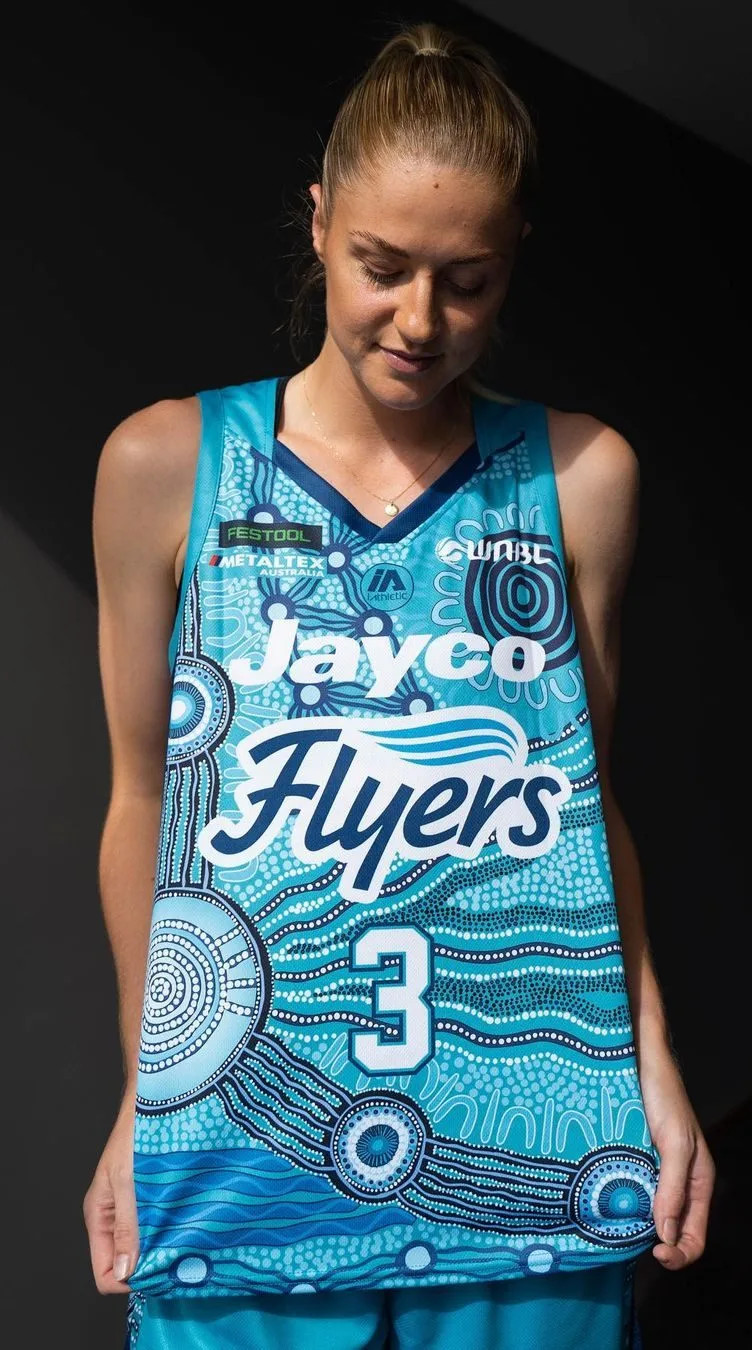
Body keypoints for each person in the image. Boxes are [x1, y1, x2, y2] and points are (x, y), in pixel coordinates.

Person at [83, 18, 715, 1350]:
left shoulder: (581, 475)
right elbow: (143, 802)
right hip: (238, 1163)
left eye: (467, 280)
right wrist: (148, 1091)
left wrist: (651, 1060)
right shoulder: (165, 465)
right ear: (318, 224)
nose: (421, 322)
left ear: (515, 257)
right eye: (383, 267)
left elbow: (583, 809)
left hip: (536, 1147)